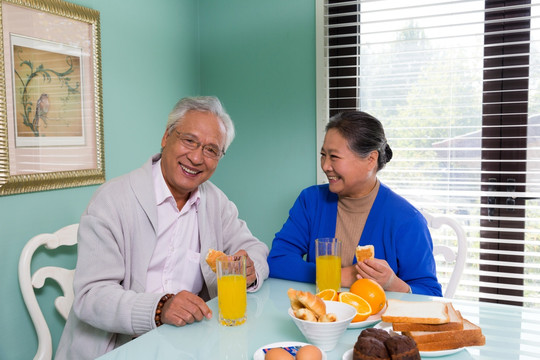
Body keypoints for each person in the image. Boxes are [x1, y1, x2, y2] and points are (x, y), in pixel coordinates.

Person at [56, 96, 269, 359]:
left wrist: (250, 268)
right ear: (166, 137)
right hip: (118, 346)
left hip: (188, 341)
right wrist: (160, 308)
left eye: (211, 150)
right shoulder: (112, 200)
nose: (196, 157)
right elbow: (91, 297)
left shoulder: (215, 200)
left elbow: (253, 247)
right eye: (189, 141)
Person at [267, 111, 442, 296]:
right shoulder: (310, 201)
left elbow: (430, 295)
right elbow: (278, 260)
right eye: (323, 155)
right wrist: (339, 276)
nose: (325, 165)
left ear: (370, 160)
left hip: (377, 323)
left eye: (334, 157)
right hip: (320, 320)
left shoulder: (407, 220)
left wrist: (392, 283)